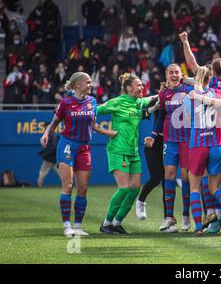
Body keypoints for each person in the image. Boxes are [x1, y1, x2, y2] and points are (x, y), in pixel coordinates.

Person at [40, 72, 116, 237]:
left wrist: (109, 133)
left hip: (84, 148)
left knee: (83, 188)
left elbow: (94, 126)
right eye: (88, 82)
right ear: (78, 85)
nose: (91, 85)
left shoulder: (92, 101)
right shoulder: (65, 103)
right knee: (68, 186)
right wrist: (46, 133)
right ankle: (67, 226)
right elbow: (54, 123)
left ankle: (78, 226)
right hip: (67, 145)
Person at [183, 66, 221, 236]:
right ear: (210, 78)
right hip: (217, 145)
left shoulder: (190, 97)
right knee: (215, 187)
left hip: (198, 145)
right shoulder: (219, 93)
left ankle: (198, 227)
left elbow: (188, 120)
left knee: (195, 188)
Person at [98, 73, 158, 234]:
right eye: (138, 85)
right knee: (124, 189)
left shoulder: (138, 102)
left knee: (134, 189)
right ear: (129, 88)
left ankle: (117, 222)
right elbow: (93, 112)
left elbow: (152, 98)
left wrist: (167, 92)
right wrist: (103, 131)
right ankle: (106, 223)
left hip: (133, 152)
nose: (142, 87)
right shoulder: (117, 102)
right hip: (118, 150)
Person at [143, 64, 193, 233]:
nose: (174, 75)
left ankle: (186, 215)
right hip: (170, 141)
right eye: (170, 72)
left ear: (181, 74)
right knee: (169, 175)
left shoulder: (189, 89)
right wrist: (153, 134)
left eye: (176, 72)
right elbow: (161, 116)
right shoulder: (164, 94)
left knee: (186, 178)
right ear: (166, 76)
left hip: (187, 140)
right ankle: (169, 218)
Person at [36, 122, 60, 187]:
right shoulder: (50, 135)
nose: (45, 128)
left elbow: (53, 148)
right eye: (45, 127)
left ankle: (38, 185)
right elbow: (49, 148)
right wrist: (42, 152)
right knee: (60, 172)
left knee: (43, 172)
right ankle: (67, 184)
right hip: (53, 158)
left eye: (46, 127)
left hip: (50, 158)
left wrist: (44, 154)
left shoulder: (52, 135)